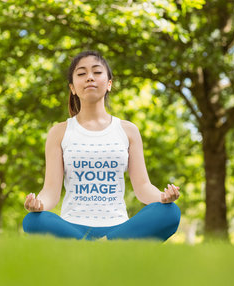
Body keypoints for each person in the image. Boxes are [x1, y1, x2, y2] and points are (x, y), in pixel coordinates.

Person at [22, 50, 180, 241]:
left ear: (109, 84)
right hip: (72, 227)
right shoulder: (59, 132)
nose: (89, 77)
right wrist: (38, 204)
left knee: (171, 212)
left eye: (97, 72)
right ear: (72, 87)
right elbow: (51, 192)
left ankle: (98, 246)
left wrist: (163, 198)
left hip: (117, 228)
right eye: (81, 74)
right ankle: (102, 248)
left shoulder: (128, 130)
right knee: (32, 221)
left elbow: (143, 187)